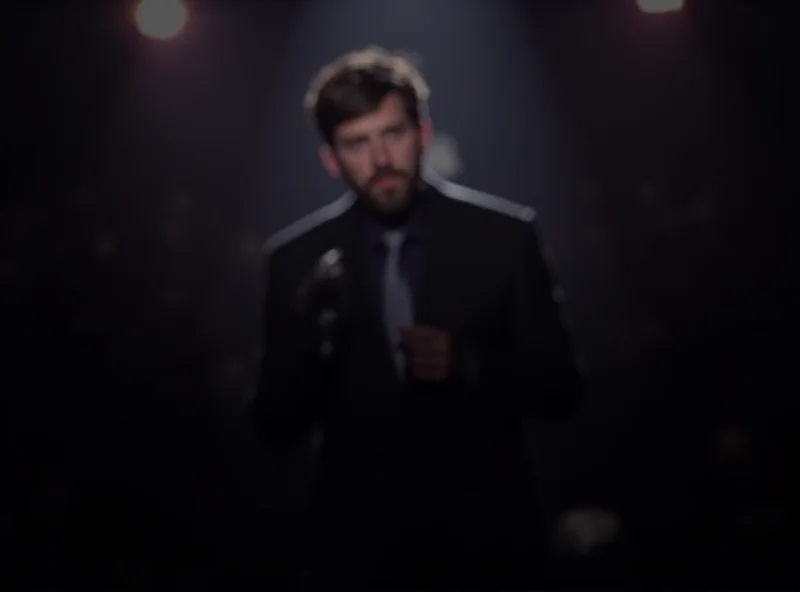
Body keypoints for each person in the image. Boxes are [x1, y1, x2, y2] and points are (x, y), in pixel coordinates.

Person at [252, 47, 583, 588]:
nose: (381, 158)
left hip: (489, 542)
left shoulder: (505, 237)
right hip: (359, 549)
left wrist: (470, 364)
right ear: (331, 159)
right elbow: (272, 422)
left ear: (423, 133)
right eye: (357, 143)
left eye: (394, 134)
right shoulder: (296, 261)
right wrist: (314, 336)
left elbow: (564, 388)